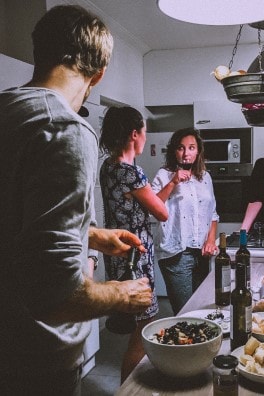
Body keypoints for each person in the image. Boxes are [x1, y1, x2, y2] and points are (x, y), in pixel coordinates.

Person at [0, 6, 153, 395]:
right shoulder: (64, 128)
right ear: (97, 74)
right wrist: (123, 294)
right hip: (33, 360)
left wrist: (93, 236)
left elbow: (16, 221)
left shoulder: (8, 110)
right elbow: (55, 293)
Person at [99, 106, 168, 383]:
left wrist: (171, 183)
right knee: (144, 327)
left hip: (117, 255)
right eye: (144, 133)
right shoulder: (132, 173)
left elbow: (146, 203)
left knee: (137, 325)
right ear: (133, 134)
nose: (145, 139)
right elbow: (161, 212)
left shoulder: (109, 168)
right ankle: (128, 389)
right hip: (136, 258)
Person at [151, 127, 219, 315]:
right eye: (181, 148)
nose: (186, 153)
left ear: (198, 151)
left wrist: (211, 240)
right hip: (176, 253)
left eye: (191, 148)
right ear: (175, 151)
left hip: (202, 255)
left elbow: (212, 213)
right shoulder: (163, 175)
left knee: (202, 310)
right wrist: (173, 182)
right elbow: (154, 208)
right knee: (186, 313)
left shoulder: (205, 177)